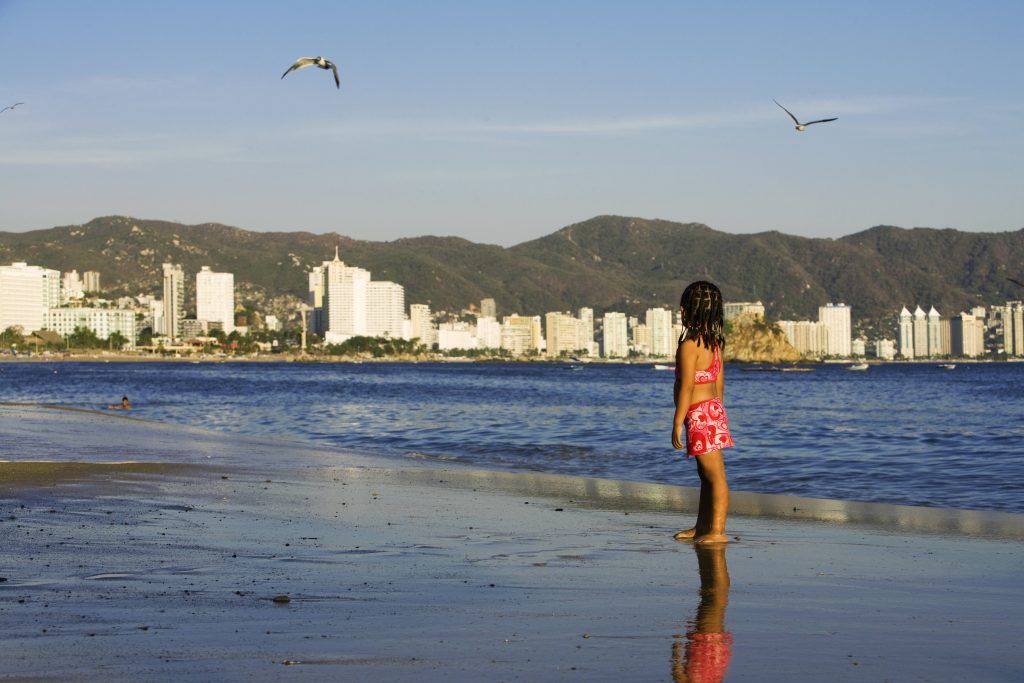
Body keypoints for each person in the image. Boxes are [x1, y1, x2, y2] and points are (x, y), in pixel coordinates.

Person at [671, 281, 733, 544]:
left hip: (698, 414)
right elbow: (718, 384)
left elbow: (686, 386)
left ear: (689, 311)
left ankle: (717, 531)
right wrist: (716, 413)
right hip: (712, 411)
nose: (681, 312)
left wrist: (676, 422)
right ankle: (702, 526)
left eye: (684, 308)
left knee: (714, 476)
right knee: (706, 476)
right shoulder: (714, 344)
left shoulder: (690, 345)